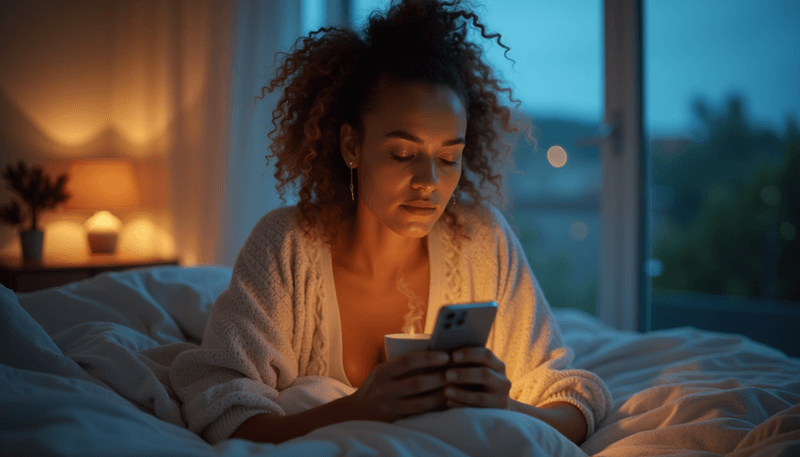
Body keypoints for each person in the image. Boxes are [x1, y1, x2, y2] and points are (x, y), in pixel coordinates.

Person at [169, 0, 611, 446]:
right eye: (403, 154)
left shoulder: (481, 239)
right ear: (351, 146)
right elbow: (221, 407)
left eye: (448, 158)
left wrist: (505, 406)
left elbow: (575, 402)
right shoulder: (287, 245)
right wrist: (358, 410)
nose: (429, 182)